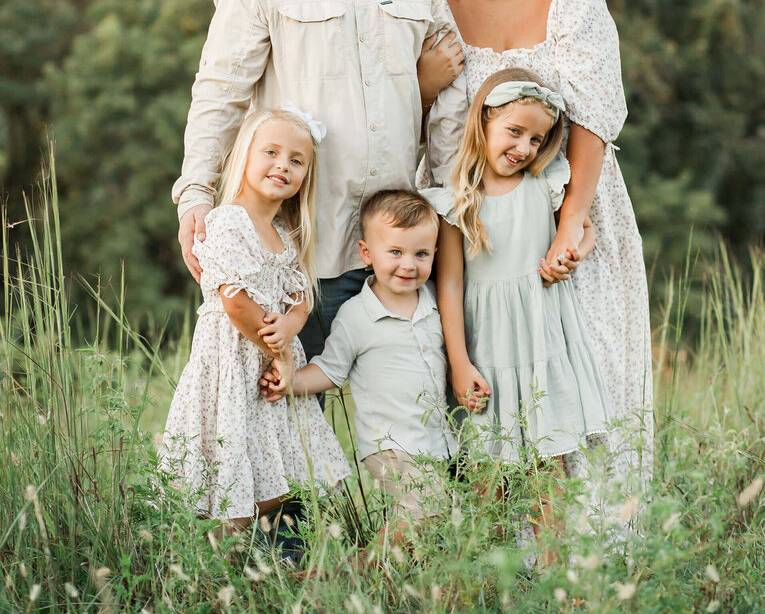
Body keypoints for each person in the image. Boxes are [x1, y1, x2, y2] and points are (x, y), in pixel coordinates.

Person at [172, 0, 468, 360]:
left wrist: (447, 208)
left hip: (397, 252)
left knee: (406, 420)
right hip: (297, 251)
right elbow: (219, 95)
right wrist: (194, 197)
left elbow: (451, 103)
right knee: (288, 413)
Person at [419, 0, 653, 485]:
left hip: (566, 206)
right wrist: (423, 84)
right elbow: (415, 119)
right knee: (491, 383)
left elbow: (596, 112)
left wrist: (572, 223)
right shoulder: (434, 3)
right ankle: (507, 563)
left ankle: (602, 552)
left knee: (590, 367)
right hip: (474, 231)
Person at [160, 105, 351, 530]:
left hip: (267, 368)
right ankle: (216, 566)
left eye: (296, 160)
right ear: (244, 155)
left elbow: (300, 298)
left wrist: (292, 325)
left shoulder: (285, 233)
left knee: (276, 476)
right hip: (231, 364)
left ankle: (250, 566)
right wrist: (279, 348)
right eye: (271, 152)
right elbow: (236, 304)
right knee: (230, 472)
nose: (283, 165)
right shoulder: (228, 222)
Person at [421, 69, 609, 464]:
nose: (525, 147)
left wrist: (574, 254)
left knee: (550, 466)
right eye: (515, 131)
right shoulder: (457, 202)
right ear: (484, 121)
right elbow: (450, 286)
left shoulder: (544, 182)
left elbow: (585, 229)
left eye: (536, 139)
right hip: (489, 345)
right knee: (492, 475)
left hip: (542, 337)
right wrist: (459, 362)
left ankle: (552, 528)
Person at [263, 189, 453, 524]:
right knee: (422, 514)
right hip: (390, 443)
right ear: (367, 252)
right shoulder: (357, 315)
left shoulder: (435, 301)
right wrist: (291, 381)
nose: (408, 265)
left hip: (437, 441)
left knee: (428, 523)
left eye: (421, 254)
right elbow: (330, 369)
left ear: (435, 254)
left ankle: (377, 566)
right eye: (395, 252)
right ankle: (366, 566)